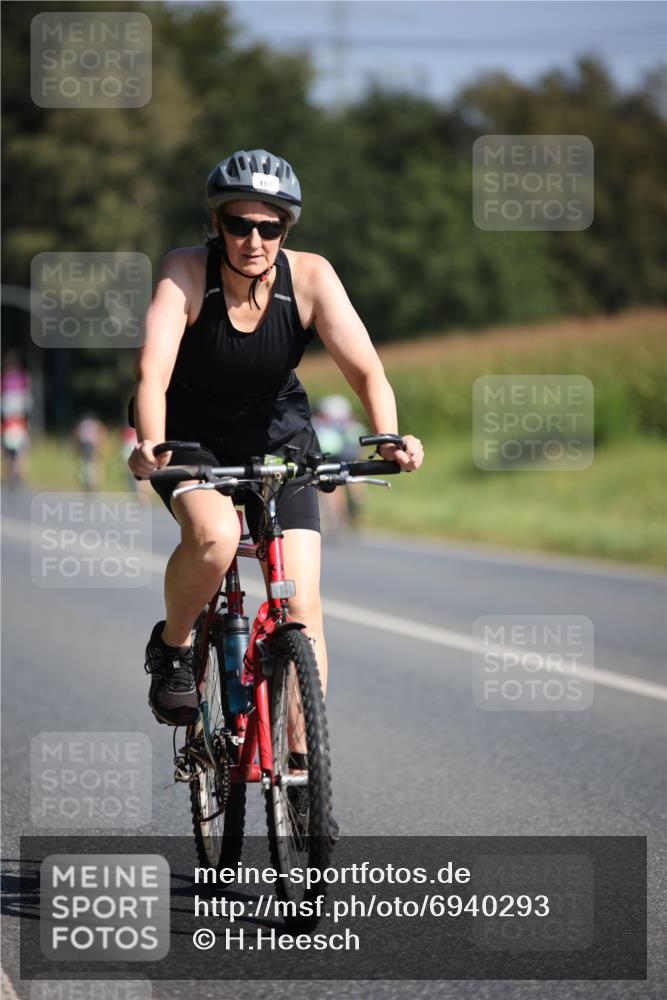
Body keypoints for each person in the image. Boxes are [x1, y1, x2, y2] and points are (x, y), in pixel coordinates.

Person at [127, 148, 423, 727]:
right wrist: (150, 444)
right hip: (190, 435)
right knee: (214, 538)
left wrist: (387, 435)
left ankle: (302, 776)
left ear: (285, 228)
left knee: (302, 605)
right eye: (239, 224)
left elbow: (366, 370)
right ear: (217, 224)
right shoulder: (185, 272)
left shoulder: (310, 277)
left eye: (270, 227)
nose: (254, 240)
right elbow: (152, 373)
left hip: (278, 435)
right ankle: (174, 646)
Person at [312, 394, 367, 534]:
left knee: (332, 487)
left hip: (329, 456)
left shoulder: (319, 423)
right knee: (348, 483)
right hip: (345, 455)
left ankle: (335, 516)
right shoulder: (352, 425)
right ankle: (356, 498)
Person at [1, 351, 32, 489]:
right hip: (18, 421)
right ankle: (17, 472)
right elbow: (28, 402)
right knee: (21, 450)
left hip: (9, 422)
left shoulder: (4, 380)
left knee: (8, 451)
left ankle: (11, 473)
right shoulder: (23, 378)